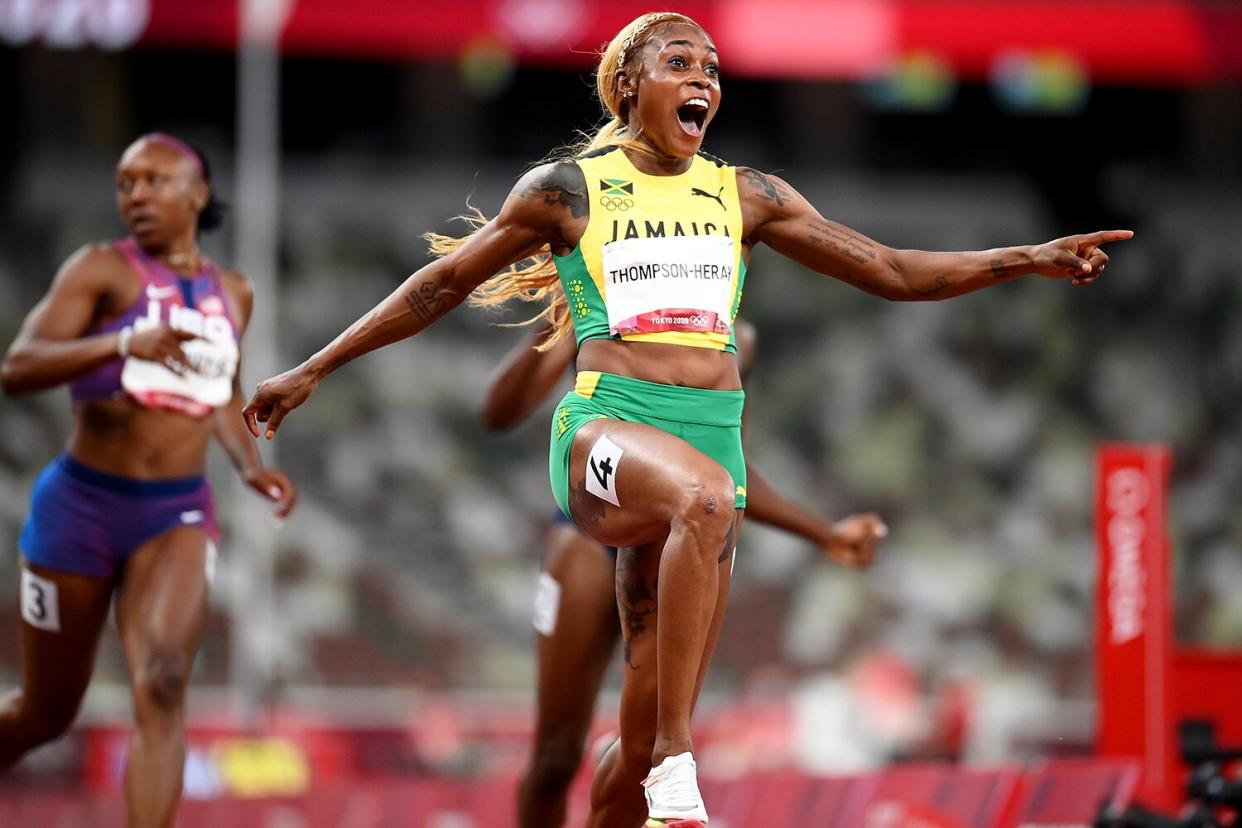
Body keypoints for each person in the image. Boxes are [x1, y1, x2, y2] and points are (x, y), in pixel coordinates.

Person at [241, 11, 1131, 826]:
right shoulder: (568, 191)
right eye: (679, 61)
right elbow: (443, 283)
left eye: (712, 65)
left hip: (712, 441)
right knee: (699, 515)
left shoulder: (745, 195)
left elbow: (893, 271)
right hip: (605, 429)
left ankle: (651, 761)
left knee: (625, 755)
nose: (704, 75)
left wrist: (1027, 257)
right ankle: (680, 756)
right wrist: (316, 366)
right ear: (629, 82)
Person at [480, 316, 886, 828]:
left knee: (644, 749)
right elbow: (497, 412)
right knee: (557, 754)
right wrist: (566, 323)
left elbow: (727, 471)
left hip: (681, 538)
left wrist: (822, 533)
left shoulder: (738, 338)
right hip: (591, 534)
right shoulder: (603, 299)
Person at [0, 134, 297, 827]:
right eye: (125, 184)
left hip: (175, 515)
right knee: (45, 714)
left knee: (163, 684)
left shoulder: (235, 293)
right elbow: (17, 367)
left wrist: (250, 468)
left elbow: (218, 387)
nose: (135, 196)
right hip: (78, 510)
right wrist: (121, 341)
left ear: (196, 193)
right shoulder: (101, 271)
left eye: (153, 182)